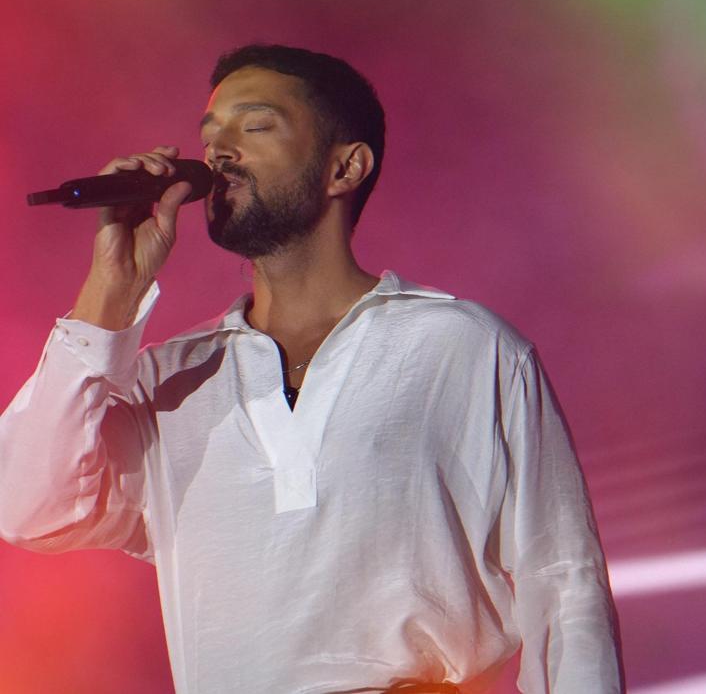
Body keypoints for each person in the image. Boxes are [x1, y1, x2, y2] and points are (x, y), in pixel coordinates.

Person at [0, 44, 623, 693]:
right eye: (210, 136)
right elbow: (27, 508)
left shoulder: (464, 348)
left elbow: (564, 582)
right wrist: (110, 292)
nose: (218, 153)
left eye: (255, 126)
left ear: (345, 167)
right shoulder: (169, 380)